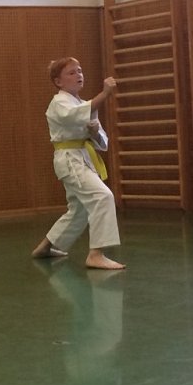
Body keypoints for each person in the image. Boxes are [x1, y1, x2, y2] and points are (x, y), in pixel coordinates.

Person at [31, 57, 125, 270]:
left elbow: (103, 142)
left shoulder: (85, 105)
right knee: (103, 196)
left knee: (79, 209)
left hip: (83, 157)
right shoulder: (59, 103)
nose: (78, 75)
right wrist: (105, 94)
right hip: (69, 160)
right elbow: (73, 116)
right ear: (58, 82)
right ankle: (96, 254)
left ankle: (46, 247)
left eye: (80, 71)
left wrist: (95, 133)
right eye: (71, 73)